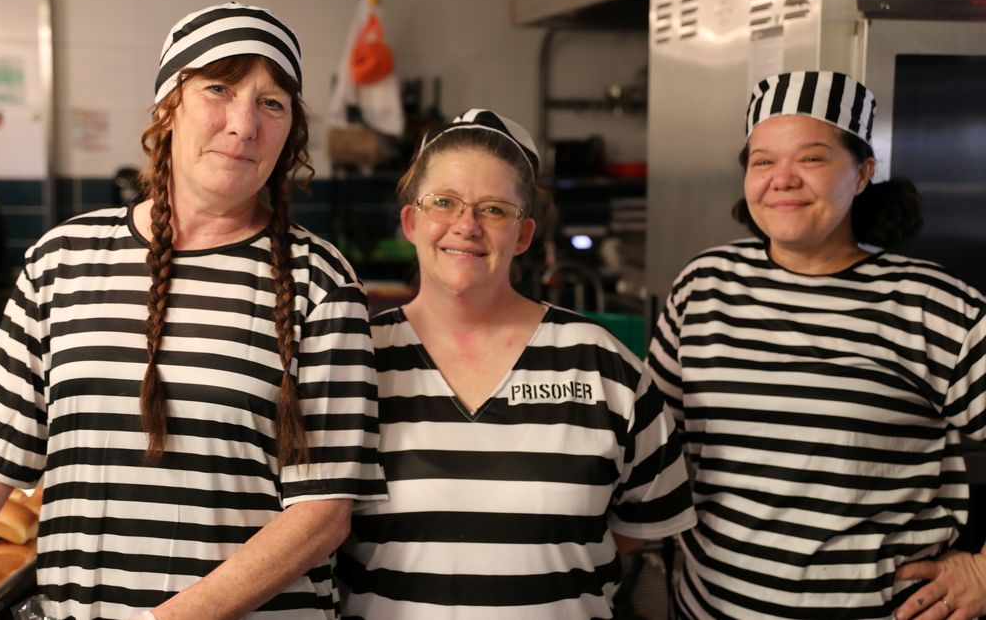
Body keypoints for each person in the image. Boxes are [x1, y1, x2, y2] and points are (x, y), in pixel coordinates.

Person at [0, 2, 386, 619]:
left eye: (272, 103)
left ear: (290, 131)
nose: (244, 124)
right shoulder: (62, 260)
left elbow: (321, 515)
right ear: (168, 106)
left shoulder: (321, 282)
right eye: (219, 89)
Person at [646, 70, 986, 619]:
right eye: (763, 161)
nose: (782, 179)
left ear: (863, 173)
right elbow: (649, 444)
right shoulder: (705, 285)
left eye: (811, 158)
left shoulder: (931, 305)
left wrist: (984, 572)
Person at [335, 108, 697, 618]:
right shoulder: (353, 362)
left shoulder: (601, 366)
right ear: (412, 222)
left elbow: (640, 524)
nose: (466, 226)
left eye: (494, 209)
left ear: (524, 235)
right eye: (444, 202)